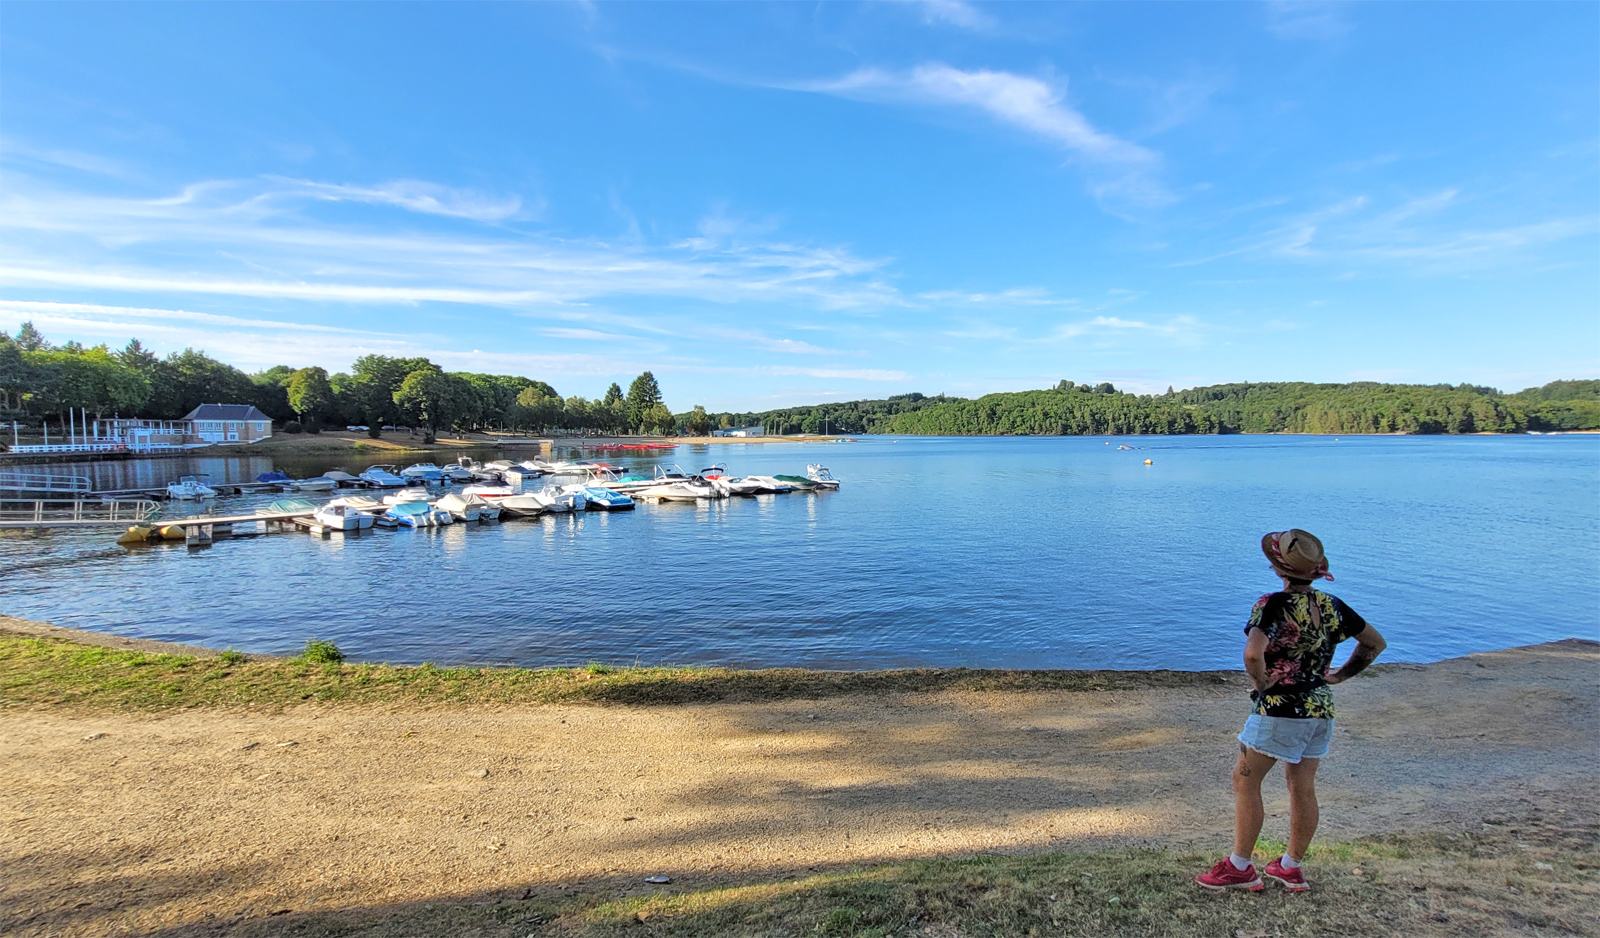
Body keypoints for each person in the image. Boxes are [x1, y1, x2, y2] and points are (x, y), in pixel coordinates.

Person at [1195, 529, 1386, 893]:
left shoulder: (1273, 605)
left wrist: (1262, 682)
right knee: (1302, 788)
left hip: (1280, 710)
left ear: (1276, 566)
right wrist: (1339, 676)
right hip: (1320, 709)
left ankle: (1239, 867)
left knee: (1245, 781)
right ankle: (1291, 866)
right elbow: (1374, 644)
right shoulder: (1333, 606)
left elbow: (1253, 653)